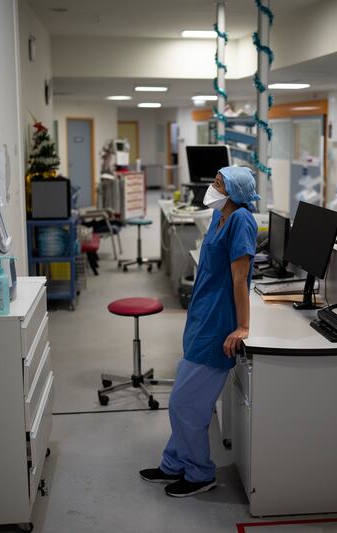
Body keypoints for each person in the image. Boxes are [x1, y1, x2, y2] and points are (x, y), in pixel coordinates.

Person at [139, 166, 259, 498]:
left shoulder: (241, 221)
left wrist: (243, 326)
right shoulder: (221, 218)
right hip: (201, 318)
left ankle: (199, 472)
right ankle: (174, 463)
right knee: (185, 398)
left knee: (184, 403)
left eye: (219, 183)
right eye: (214, 181)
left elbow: (240, 279)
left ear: (235, 191)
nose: (211, 187)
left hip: (217, 323)